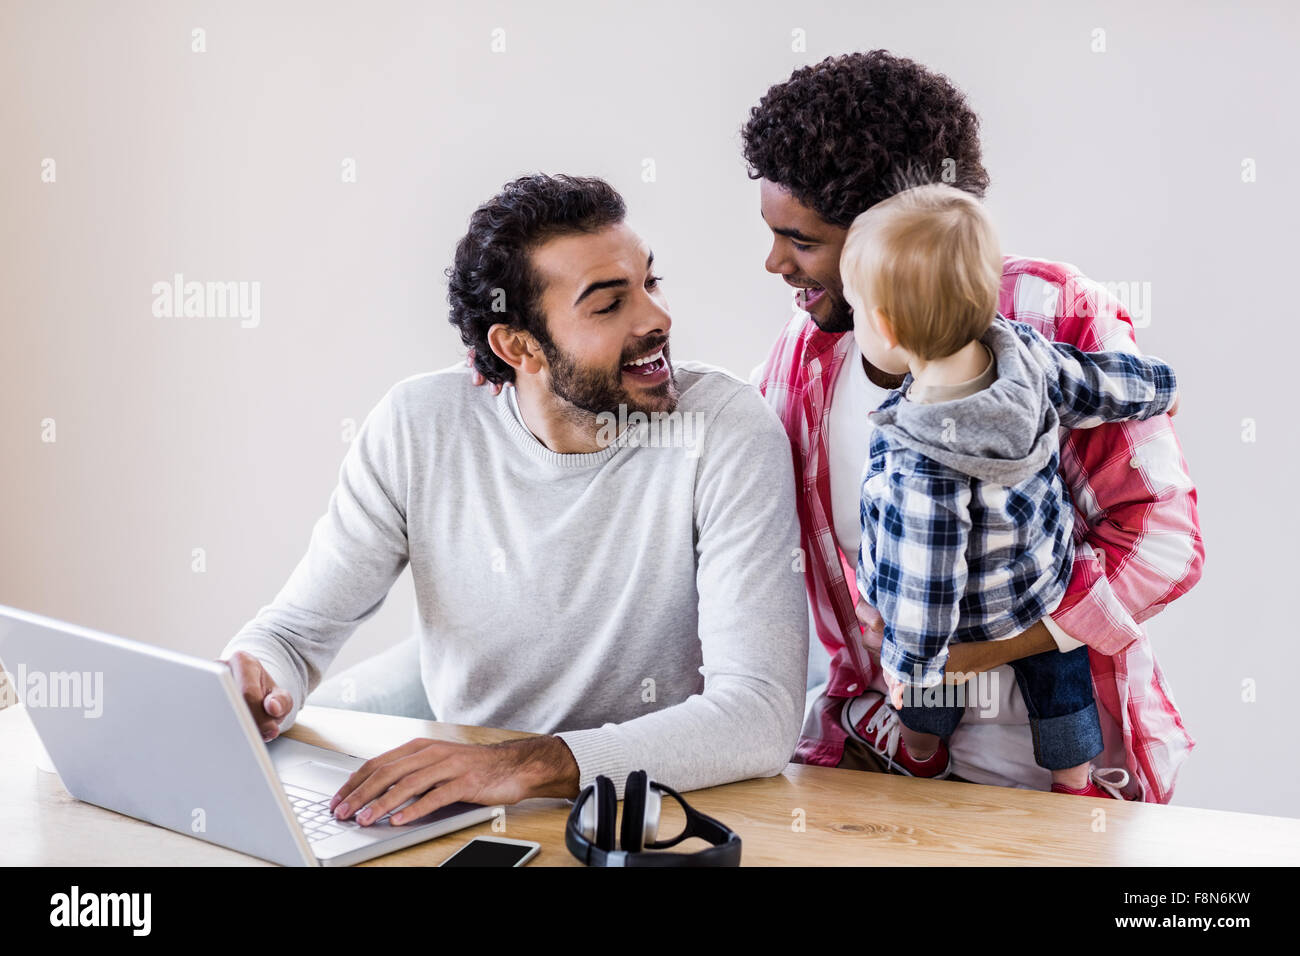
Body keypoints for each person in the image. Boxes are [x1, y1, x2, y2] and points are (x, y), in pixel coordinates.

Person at [222, 173, 808, 826]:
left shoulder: (726, 429)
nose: (657, 318)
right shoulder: (419, 425)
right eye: (609, 305)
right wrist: (255, 675)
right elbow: (294, 634)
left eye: (651, 281)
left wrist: (529, 764)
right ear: (518, 346)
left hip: (652, 811)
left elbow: (759, 712)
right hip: (467, 801)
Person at [746, 51, 1204, 802]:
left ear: (886, 241)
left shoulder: (1048, 316)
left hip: (1059, 788)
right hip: (881, 765)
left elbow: (1164, 546)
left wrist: (970, 654)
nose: (774, 263)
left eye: (802, 240)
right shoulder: (803, 359)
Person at [840, 183, 1180, 798]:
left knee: (931, 684)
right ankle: (1075, 779)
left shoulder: (922, 459)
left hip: (966, 623)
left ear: (885, 325)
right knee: (1060, 672)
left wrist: (907, 670)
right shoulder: (1022, 352)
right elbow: (1094, 385)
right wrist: (1161, 387)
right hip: (1040, 587)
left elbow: (928, 585)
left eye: (857, 311)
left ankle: (918, 749)